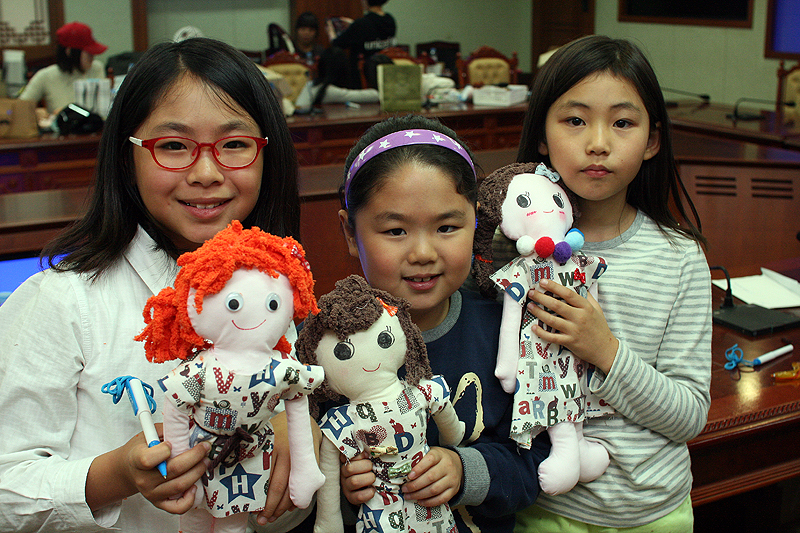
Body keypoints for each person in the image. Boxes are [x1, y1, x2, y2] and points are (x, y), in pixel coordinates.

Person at [0, 37, 312, 533]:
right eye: (173, 146)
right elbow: (6, 488)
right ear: (128, 157)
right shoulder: (60, 301)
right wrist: (115, 474)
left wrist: (296, 435)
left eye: (234, 145)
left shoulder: (280, 294)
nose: (207, 173)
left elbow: (286, 509)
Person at [510, 35, 712, 531]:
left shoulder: (679, 258)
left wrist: (606, 350)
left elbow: (689, 416)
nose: (597, 141)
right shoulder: (509, 254)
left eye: (622, 122)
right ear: (542, 136)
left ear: (653, 140)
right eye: (575, 120)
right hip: (544, 507)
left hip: (653, 512)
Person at [335, 114, 548, 533]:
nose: (422, 252)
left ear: (477, 222)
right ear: (349, 231)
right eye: (395, 231)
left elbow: (536, 461)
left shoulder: (507, 332)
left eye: (447, 227)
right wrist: (343, 483)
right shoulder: (326, 345)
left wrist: (464, 470)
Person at [19, 22, 107, 115]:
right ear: (69, 52)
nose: (93, 57)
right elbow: (18, 108)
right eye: (89, 54)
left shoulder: (96, 68)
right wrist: (37, 113)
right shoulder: (46, 75)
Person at [327, 0, 397, 89]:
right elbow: (373, 32)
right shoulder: (390, 20)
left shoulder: (361, 24)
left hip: (363, 81)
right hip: (386, 78)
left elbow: (337, 44)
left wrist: (331, 32)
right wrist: (353, 25)